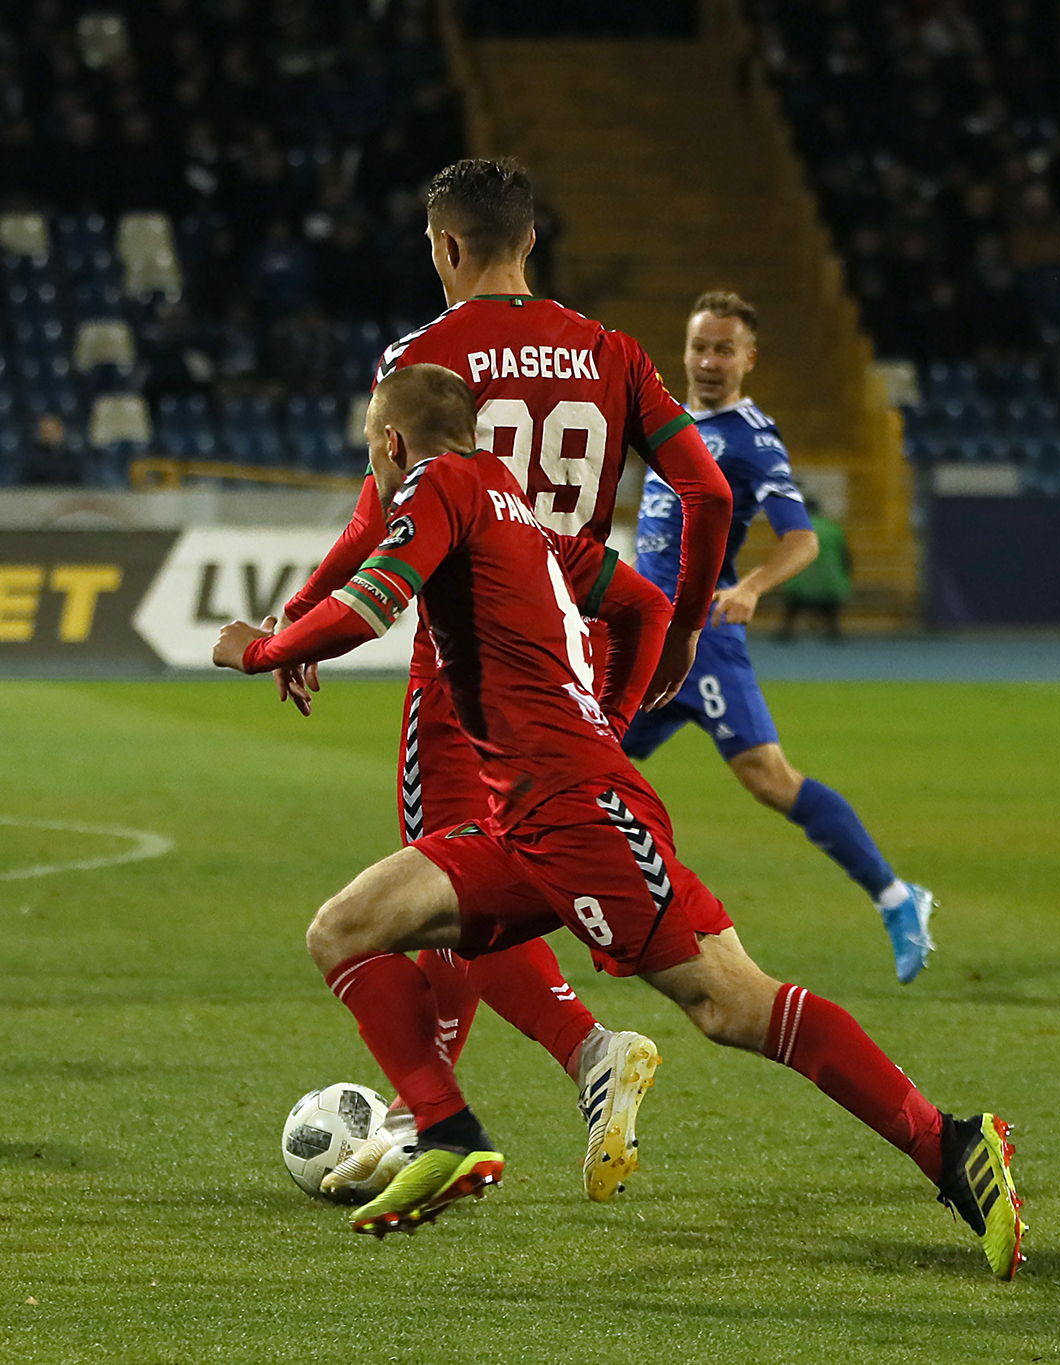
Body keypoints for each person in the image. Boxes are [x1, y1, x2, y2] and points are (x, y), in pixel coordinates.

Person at [215, 363, 1024, 1279]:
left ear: (392, 441)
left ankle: (950, 1144)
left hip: (580, 816)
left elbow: (372, 603)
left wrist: (261, 649)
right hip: (528, 818)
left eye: (371, 439)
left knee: (731, 1003)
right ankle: (447, 1131)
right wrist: (611, 720)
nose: (372, 456)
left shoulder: (435, 486)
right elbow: (641, 604)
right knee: (346, 927)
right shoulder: (516, 509)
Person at [274, 158, 735, 1203]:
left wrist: (297, 620)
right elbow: (705, 493)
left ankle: (479, 1101)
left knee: (442, 886)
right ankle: (469, 1101)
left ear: (444, 246)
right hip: (579, 649)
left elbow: (378, 516)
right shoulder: (609, 352)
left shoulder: (422, 359)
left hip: (468, 661)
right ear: (530, 240)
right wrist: (681, 630)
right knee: (486, 876)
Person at [624, 292, 935, 982]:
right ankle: (568, 907)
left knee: (769, 779)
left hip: (703, 640)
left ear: (749, 359)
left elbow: (801, 539)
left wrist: (753, 587)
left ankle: (896, 897)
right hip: (645, 640)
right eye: (700, 347)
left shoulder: (751, 438)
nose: (709, 361)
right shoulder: (666, 420)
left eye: (724, 349)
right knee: (585, 767)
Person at [778, 495, 851, 641]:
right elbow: (846, 557)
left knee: (794, 601)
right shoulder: (833, 528)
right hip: (830, 584)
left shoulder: (795, 528)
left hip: (800, 584)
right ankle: (833, 629)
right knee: (830, 603)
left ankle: (787, 630)